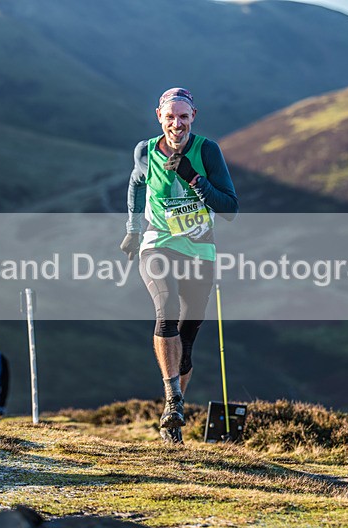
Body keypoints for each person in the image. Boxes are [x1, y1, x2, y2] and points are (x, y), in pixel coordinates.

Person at [120, 87, 239, 444]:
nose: (177, 124)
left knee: (186, 344)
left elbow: (230, 209)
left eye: (183, 117)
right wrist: (133, 229)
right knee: (166, 309)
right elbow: (136, 182)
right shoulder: (145, 151)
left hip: (200, 252)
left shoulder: (207, 151)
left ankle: (173, 415)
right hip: (158, 244)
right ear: (159, 116)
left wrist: (194, 178)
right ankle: (173, 399)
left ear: (193, 117)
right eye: (170, 117)